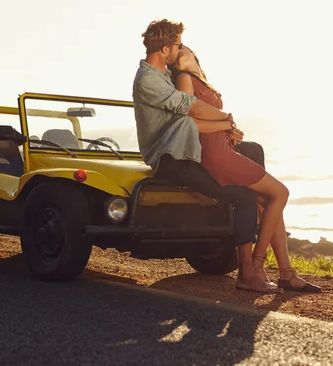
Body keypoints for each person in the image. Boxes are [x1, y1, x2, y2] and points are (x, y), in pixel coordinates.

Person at [132, 19, 278, 294]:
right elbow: (188, 107)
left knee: (253, 152)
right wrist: (227, 119)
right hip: (173, 158)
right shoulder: (148, 79)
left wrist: (227, 128)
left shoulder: (163, 74)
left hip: (190, 150)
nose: (181, 48)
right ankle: (247, 272)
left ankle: (264, 239)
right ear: (165, 49)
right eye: (178, 45)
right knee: (243, 196)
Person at [168, 44, 321, 292]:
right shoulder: (184, 79)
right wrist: (225, 123)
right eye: (174, 55)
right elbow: (190, 121)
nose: (178, 55)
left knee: (270, 202)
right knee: (280, 193)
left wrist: (230, 131)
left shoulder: (201, 81)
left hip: (225, 149)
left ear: (193, 53)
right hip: (216, 155)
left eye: (181, 50)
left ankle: (286, 273)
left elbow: (212, 120)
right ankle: (256, 266)